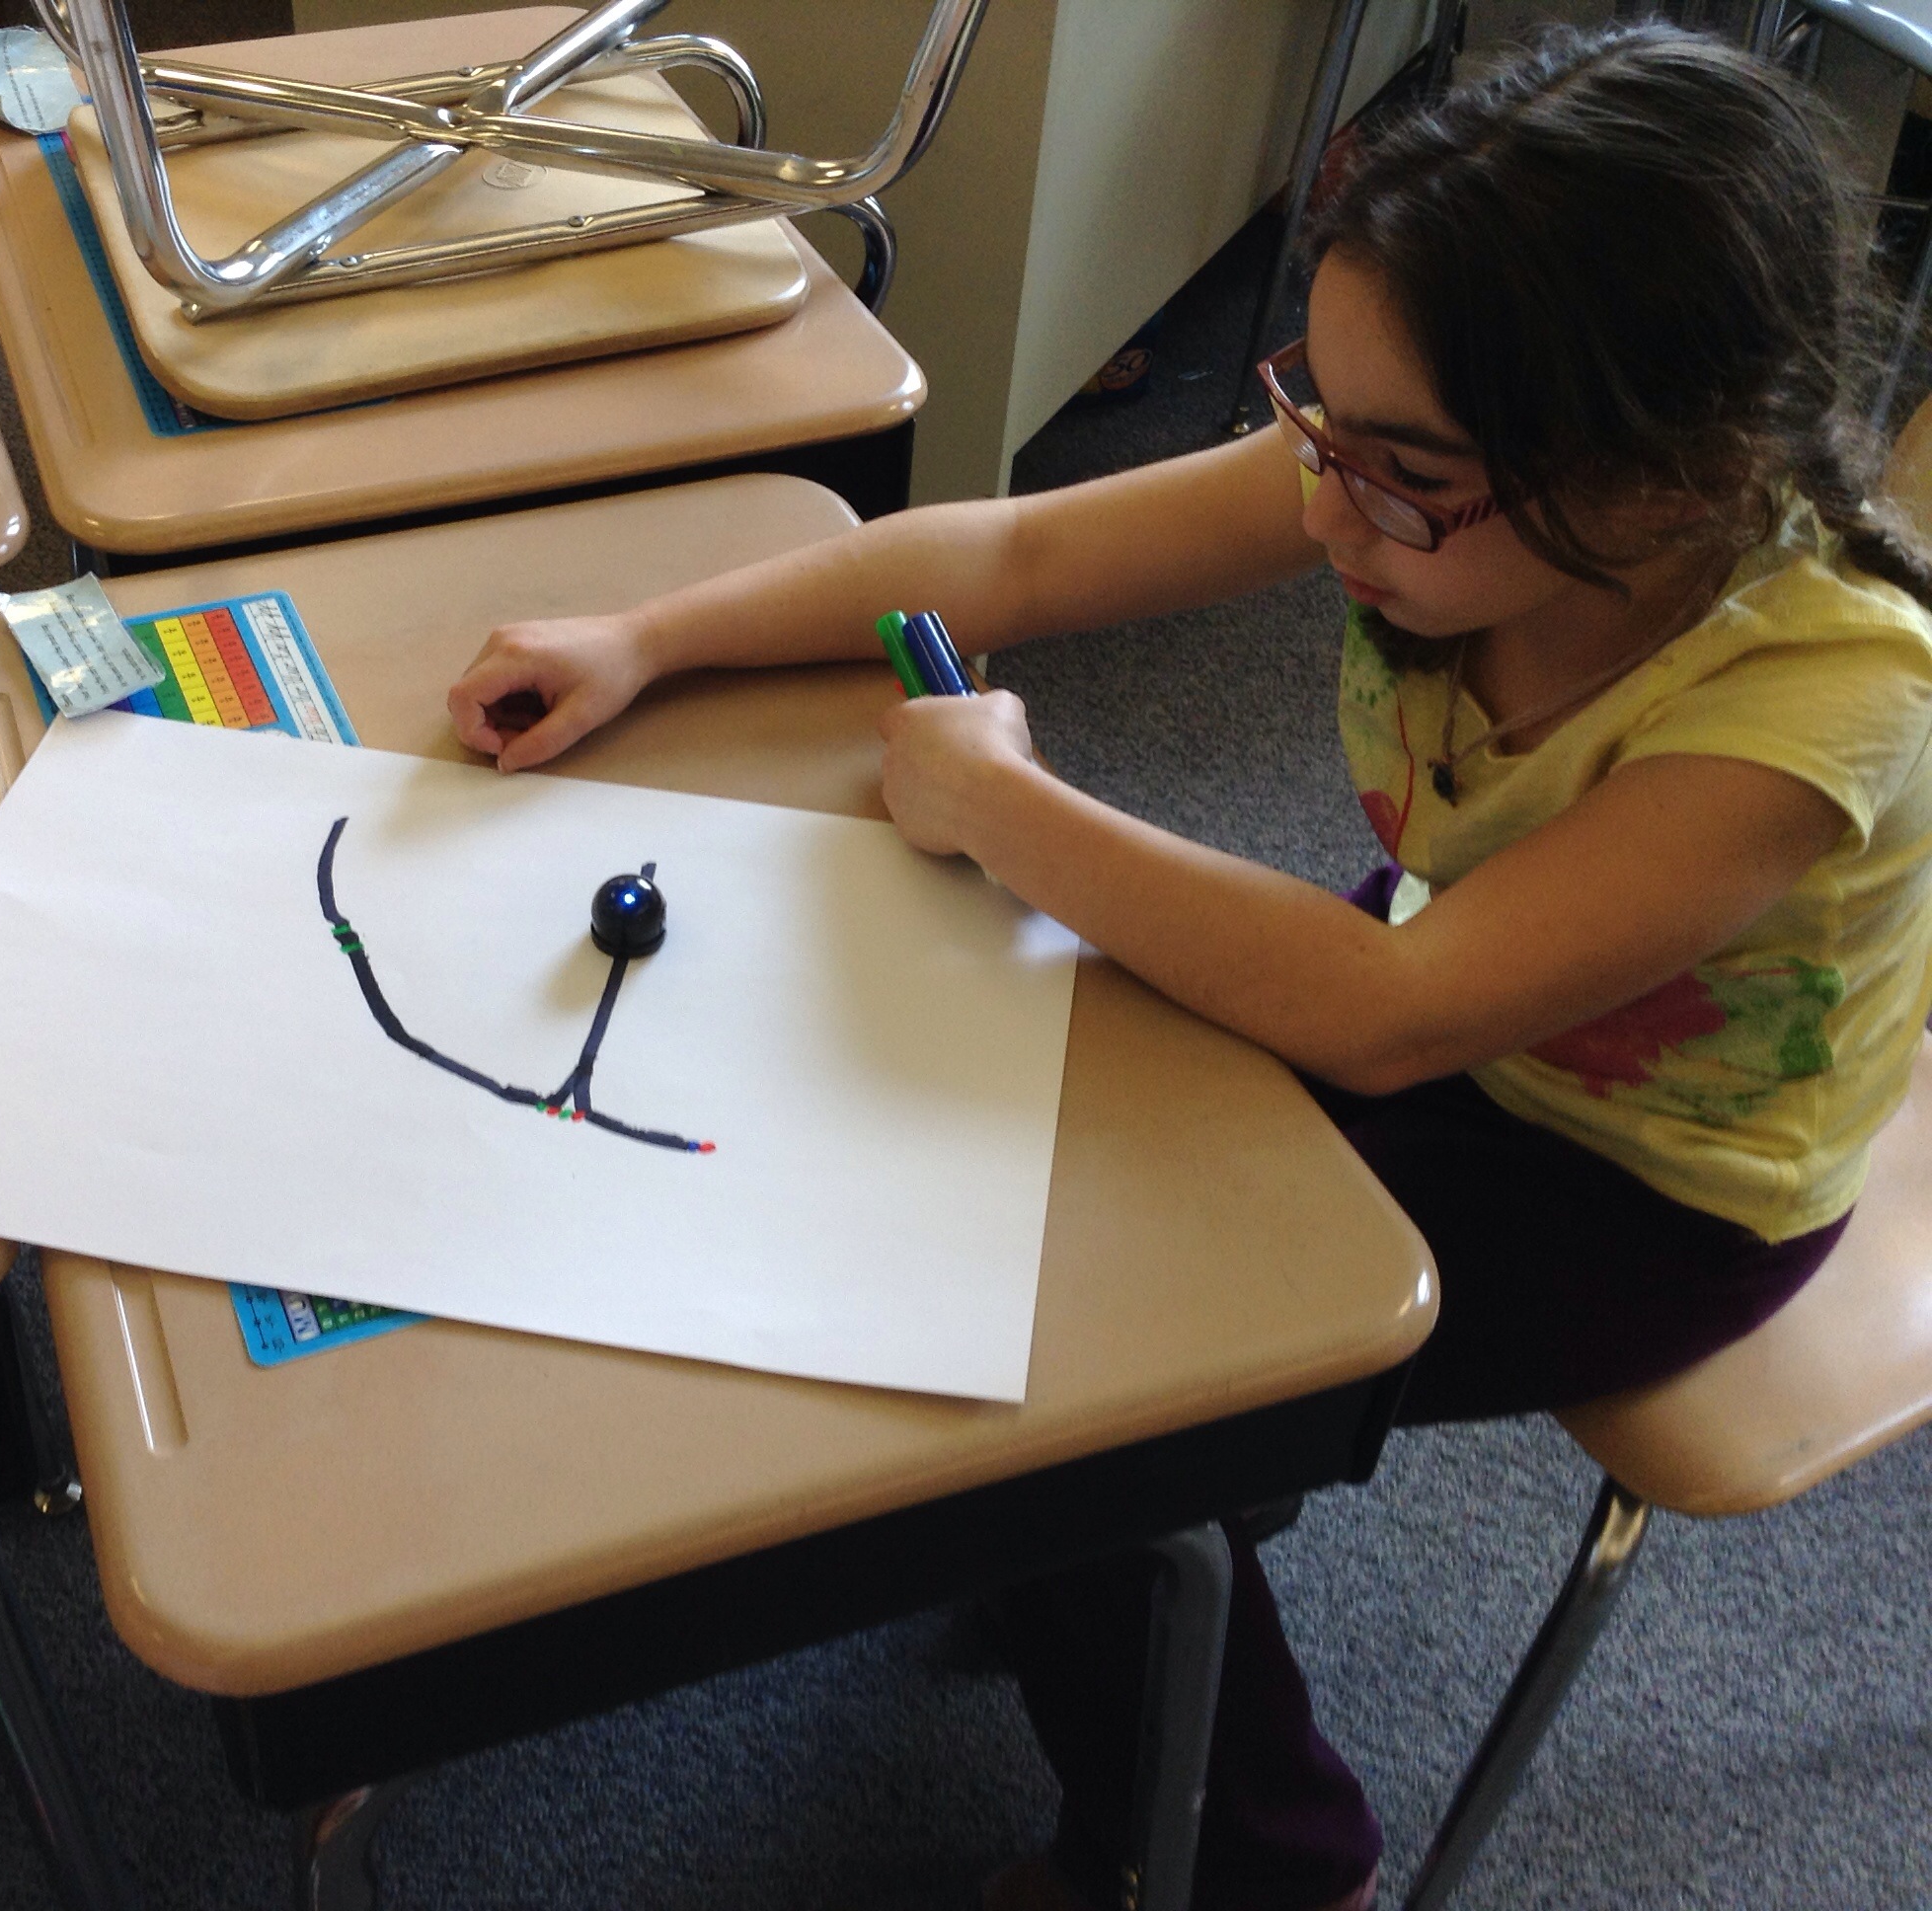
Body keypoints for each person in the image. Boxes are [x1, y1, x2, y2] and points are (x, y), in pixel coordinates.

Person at [445, 25, 1932, 1911]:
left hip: (1647, 1191)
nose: (1321, 506)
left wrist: (1009, 807)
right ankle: (1165, 1530)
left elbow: (1388, 1020)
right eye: (1318, 420)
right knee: (1000, 1160)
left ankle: (1265, 1856)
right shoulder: (1436, 484)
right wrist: (644, 639)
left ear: (1665, 477)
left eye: (1396, 477)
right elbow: (1021, 555)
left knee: (1074, 1401)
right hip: (1437, 987)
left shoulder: (1824, 702)